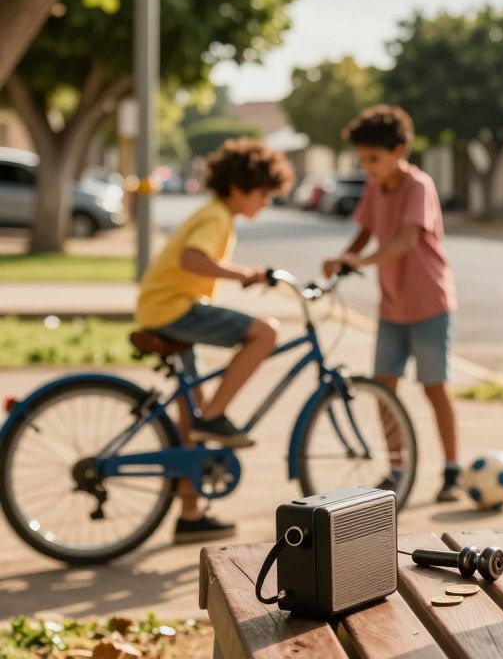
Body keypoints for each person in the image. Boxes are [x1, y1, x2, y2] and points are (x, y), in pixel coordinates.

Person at [135, 137, 290, 543]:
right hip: (174, 308)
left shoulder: (215, 213)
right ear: (239, 189)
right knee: (266, 332)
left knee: (191, 412)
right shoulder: (217, 216)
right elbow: (192, 259)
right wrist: (245, 274)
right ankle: (215, 418)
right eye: (263, 194)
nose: (266, 202)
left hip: (162, 307)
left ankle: (190, 513)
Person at [322, 105, 462, 502]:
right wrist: (341, 262)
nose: (368, 168)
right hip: (393, 306)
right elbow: (364, 232)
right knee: (384, 387)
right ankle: (396, 468)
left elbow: (404, 241)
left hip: (429, 303)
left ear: (399, 149)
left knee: (434, 387)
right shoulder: (374, 187)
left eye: (374, 159)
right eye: (363, 160)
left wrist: (360, 261)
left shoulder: (418, 185)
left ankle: (452, 468)